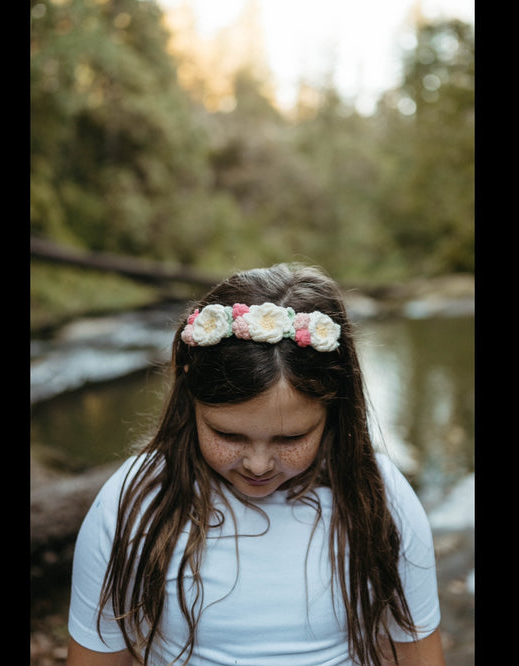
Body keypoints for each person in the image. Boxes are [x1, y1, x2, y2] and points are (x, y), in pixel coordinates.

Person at [67, 263, 446, 666]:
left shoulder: (378, 498)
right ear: (189, 394)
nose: (259, 464)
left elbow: (420, 656)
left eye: (290, 438)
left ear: (335, 409)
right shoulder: (133, 503)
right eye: (228, 435)